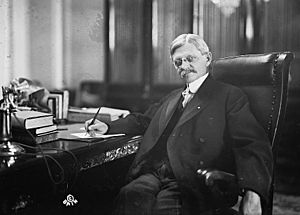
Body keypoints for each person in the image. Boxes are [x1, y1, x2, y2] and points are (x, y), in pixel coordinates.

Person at [85, 33, 272, 215]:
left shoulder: (229, 96)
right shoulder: (173, 97)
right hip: (157, 173)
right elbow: (144, 120)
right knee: (129, 196)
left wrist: (252, 193)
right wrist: (108, 127)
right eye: (178, 62)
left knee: (163, 208)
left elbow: (251, 143)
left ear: (207, 59)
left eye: (190, 58)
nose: (185, 66)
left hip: (193, 179)